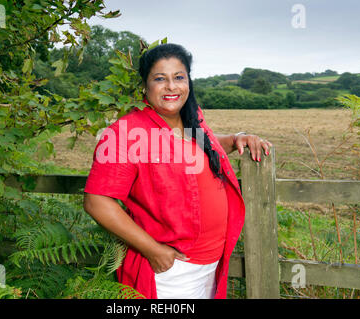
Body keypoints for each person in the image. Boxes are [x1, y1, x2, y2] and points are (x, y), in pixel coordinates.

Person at [83, 43, 272, 299]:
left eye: (179, 77)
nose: (171, 86)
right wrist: (153, 250)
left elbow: (199, 144)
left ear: (189, 82)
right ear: (145, 86)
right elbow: (97, 202)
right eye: (160, 79)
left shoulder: (192, 118)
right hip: (172, 270)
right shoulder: (126, 132)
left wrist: (237, 138)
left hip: (212, 262)